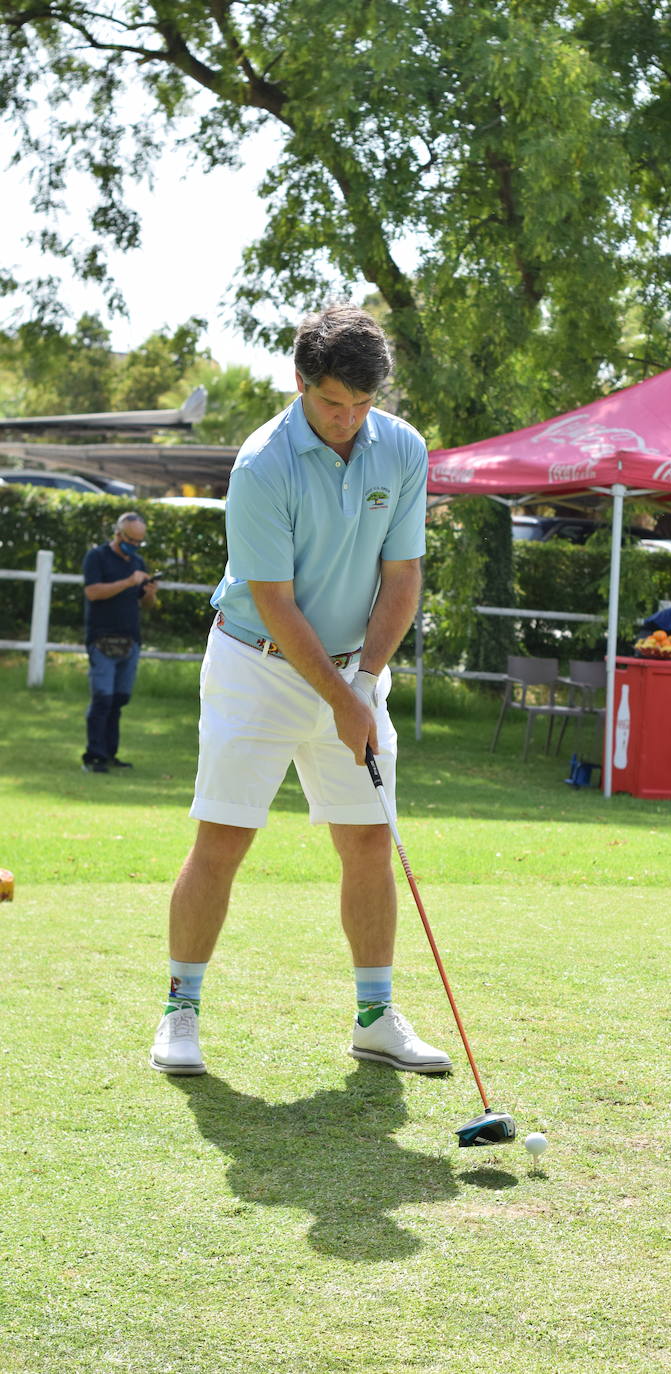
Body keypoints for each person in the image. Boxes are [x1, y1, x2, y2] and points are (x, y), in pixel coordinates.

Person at [149, 303, 451, 1080]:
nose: (346, 420)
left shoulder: (404, 450)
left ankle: (375, 1017)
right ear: (299, 383)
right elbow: (276, 604)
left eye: (360, 405)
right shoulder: (262, 464)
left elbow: (403, 576)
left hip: (355, 667)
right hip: (256, 663)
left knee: (367, 839)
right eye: (330, 403)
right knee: (224, 836)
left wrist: (363, 683)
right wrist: (346, 698)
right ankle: (180, 1011)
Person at [82, 512, 158, 773]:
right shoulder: (97, 557)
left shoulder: (137, 562)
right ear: (118, 534)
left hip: (130, 640)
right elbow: (92, 592)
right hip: (101, 639)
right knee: (102, 699)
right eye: (131, 540)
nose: (135, 546)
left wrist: (150, 593)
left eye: (139, 542)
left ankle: (110, 754)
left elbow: (146, 604)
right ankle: (94, 757)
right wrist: (128, 581)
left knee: (118, 699)